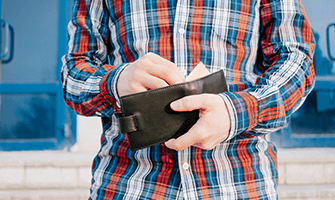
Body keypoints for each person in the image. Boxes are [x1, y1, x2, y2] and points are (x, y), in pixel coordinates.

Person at [61, 0, 315, 199]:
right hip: (130, 184)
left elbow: (296, 59)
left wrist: (235, 112)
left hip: (238, 183)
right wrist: (115, 82)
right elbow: (74, 72)